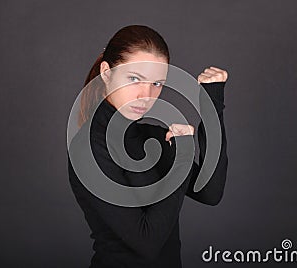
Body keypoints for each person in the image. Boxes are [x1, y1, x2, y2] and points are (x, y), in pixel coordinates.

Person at [67, 24, 229, 268]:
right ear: (107, 73)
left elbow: (210, 192)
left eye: (157, 83)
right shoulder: (88, 149)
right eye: (134, 79)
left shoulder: (150, 136)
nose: (146, 95)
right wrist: (183, 158)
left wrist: (211, 103)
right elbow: (146, 243)